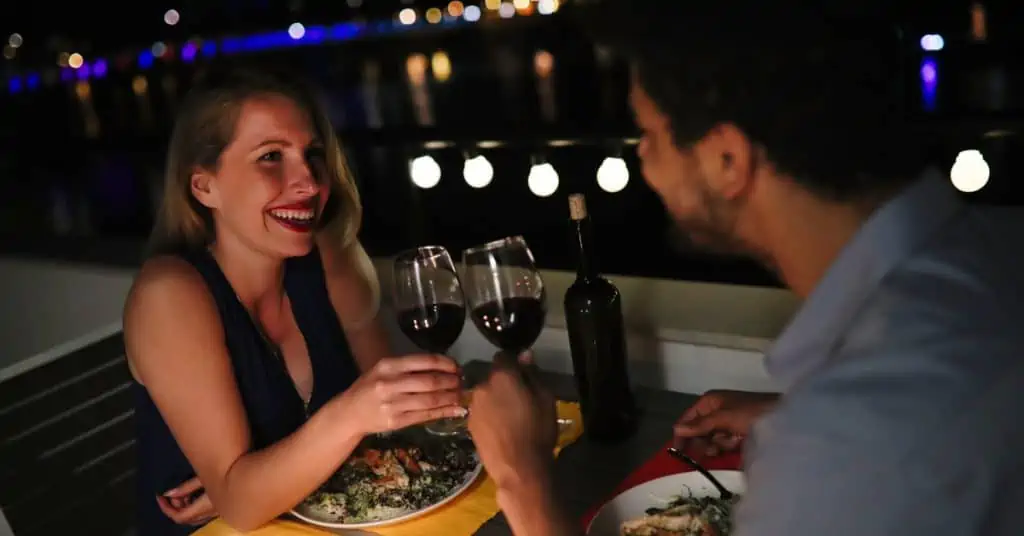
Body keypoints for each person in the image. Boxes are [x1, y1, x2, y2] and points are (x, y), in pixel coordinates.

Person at [467, 1, 1024, 535]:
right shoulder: (995, 249)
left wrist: (522, 476)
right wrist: (788, 413)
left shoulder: (841, 447)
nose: (642, 158)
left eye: (650, 134)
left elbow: (873, 444)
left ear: (727, 160)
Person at [125, 63, 466, 535]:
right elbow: (243, 507)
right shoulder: (170, 296)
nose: (309, 182)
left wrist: (265, 483)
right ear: (205, 186)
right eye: (270, 157)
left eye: (313, 154)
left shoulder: (330, 257)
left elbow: (390, 429)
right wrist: (246, 487)